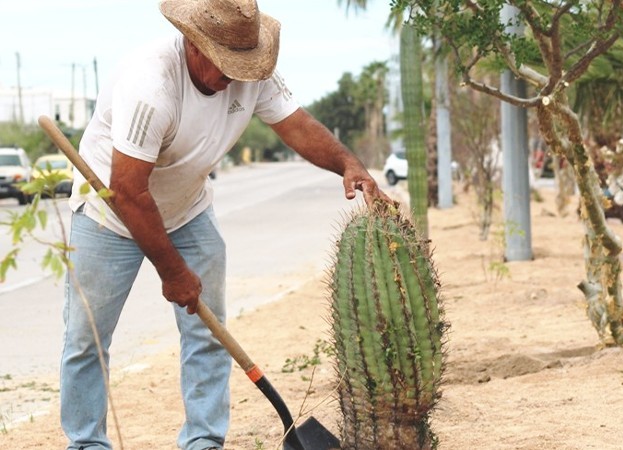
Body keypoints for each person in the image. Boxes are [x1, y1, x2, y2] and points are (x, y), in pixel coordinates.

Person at [60, 1, 390, 449]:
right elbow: (129, 191)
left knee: (208, 334)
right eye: (225, 66)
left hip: (188, 209)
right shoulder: (150, 82)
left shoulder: (253, 74)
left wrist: (348, 164)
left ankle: (203, 441)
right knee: (87, 338)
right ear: (194, 45)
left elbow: (298, 126)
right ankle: (86, 443)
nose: (234, 78)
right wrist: (173, 272)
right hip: (112, 214)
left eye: (243, 66)